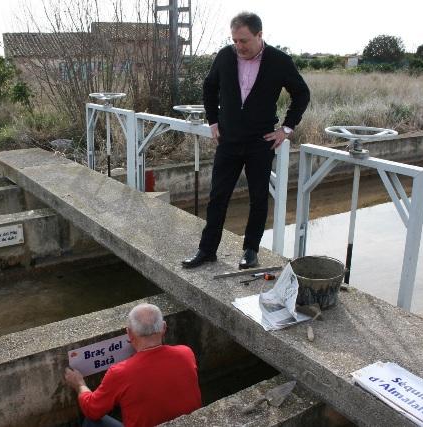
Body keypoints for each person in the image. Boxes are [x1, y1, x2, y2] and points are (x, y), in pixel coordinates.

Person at [182, 12, 310, 270]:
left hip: (260, 141)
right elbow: (209, 87)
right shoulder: (225, 56)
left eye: (244, 40)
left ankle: (250, 251)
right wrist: (213, 121)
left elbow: (302, 93)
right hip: (228, 140)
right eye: (234, 40)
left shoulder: (279, 60)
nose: (238, 46)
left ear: (259, 35)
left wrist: (286, 128)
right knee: (217, 196)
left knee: (258, 197)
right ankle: (207, 250)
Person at [64, 303, 202, 427]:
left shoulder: (120, 373)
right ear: (164, 327)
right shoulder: (186, 353)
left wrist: (79, 384)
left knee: (91, 421)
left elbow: (91, 410)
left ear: (129, 334)